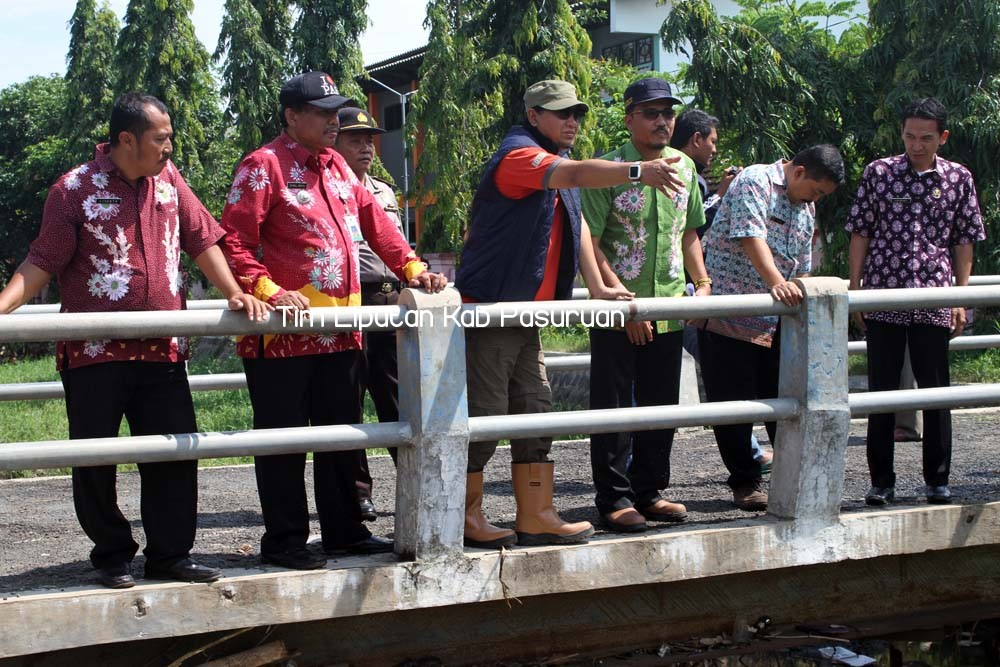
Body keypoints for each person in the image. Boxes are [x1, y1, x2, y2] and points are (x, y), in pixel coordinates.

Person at [0, 92, 272, 589]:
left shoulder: (170, 182)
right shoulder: (75, 189)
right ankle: (111, 554)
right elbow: (41, 262)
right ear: (127, 140)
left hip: (163, 350)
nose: (169, 148)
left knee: (174, 452)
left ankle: (171, 555)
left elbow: (203, 240)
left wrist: (235, 291)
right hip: (95, 352)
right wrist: (1, 307)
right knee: (94, 459)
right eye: (160, 139)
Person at [220, 71, 447, 570]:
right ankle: (285, 541)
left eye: (333, 112)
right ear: (292, 116)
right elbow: (232, 242)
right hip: (282, 337)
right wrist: (267, 290)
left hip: (342, 334)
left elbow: (381, 229)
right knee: (283, 444)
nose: (332, 121)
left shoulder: (341, 171)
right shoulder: (264, 167)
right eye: (322, 113)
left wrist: (414, 269)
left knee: (342, 437)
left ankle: (344, 533)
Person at [455, 78, 683, 548]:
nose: (571, 121)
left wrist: (598, 285)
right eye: (560, 113)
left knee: (537, 411)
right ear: (534, 116)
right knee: (487, 414)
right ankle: (462, 515)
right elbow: (576, 176)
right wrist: (637, 171)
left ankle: (536, 514)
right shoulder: (519, 156)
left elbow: (576, 222)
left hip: (527, 316)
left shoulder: (555, 164)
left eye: (575, 113)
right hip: (494, 311)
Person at [581, 79, 710, 533]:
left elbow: (690, 231)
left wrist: (703, 284)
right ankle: (614, 499)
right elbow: (590, 242)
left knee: (661, 404)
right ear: (629, 117)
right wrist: (627, 306)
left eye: (667, 113)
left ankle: (650, 490)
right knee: (615, 408)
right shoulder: (608, 168)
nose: (662, 121)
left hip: (670, 307)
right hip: (620, 307)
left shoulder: (685, 166)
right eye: (651, 113)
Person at [845, 97, 985, 506]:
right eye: (909, 136)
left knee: (936, 391)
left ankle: (937, 480)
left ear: (942, 137)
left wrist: (960, 297)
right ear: (901, 133)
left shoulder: (959, 178)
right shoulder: (880, 172)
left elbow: (964, 241)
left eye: (926, 138)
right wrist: (857, 289)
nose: (917, 145)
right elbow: (860, 232)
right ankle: (881, 481)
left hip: (936, 292)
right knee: (882, 392)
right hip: (885, 291)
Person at [698, 144, 845, 511]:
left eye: (822, 196)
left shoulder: (805, 206)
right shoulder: (755, 182)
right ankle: (745, 482)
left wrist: (800, 292)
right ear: (798, 172)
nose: (816, 199)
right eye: (815, 190)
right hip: (732, 315)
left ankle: (795, 478)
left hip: (778, 319)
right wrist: (777, 282)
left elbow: (803, 263)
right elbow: (751, 237)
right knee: (733, 405)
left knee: (787, 400)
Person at [670, 109, 774, 472]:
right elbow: (694, 231)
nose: (714, 150)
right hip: (689, 290)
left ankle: (748, 450)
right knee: (723, 374)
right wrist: (724, 196)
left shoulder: (684, 173)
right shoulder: (685, 175)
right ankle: (748, 453)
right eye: (712, 141)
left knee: (723, 377)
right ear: (696, 139)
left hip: (691, 288)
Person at [333, 106, 404, 521]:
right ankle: (358, 493)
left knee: (398, 397)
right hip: (350, 302)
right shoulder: (327, 193)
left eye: (370, 139)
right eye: (355, 139)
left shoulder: (383, 191)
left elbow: (396, 246)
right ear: (334, 142)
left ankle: (413, 476)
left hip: (390, 302)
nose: (366, 147)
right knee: (350, 400)